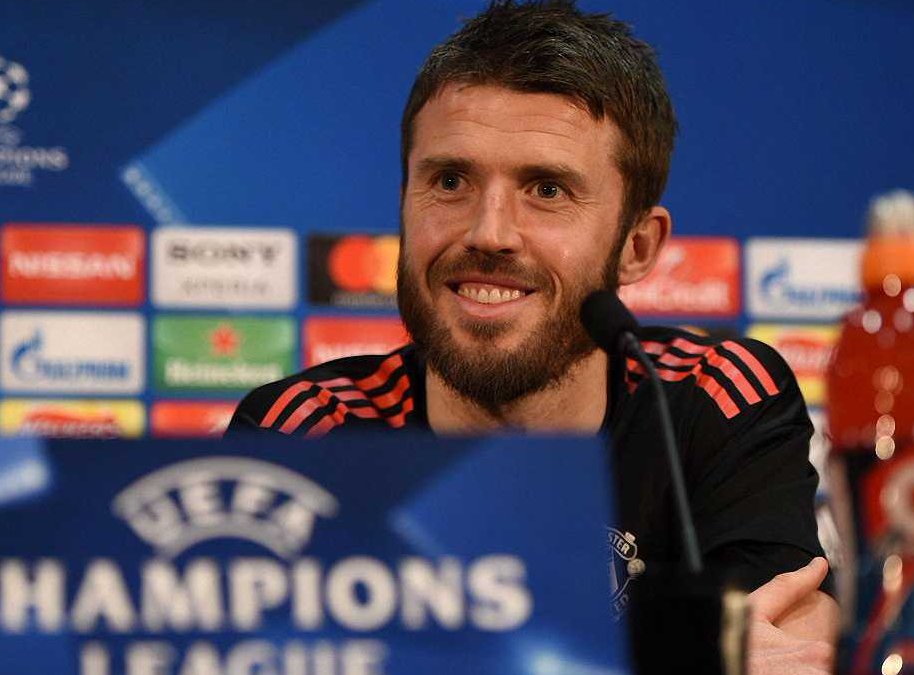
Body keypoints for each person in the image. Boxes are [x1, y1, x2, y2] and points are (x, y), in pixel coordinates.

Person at [228, 2, 838, 672]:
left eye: (547, 190)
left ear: (637, 246)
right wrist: (681, 655)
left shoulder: (714, 396)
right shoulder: (307, 434)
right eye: (450, 181)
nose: (489, 232)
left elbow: (795, 639)